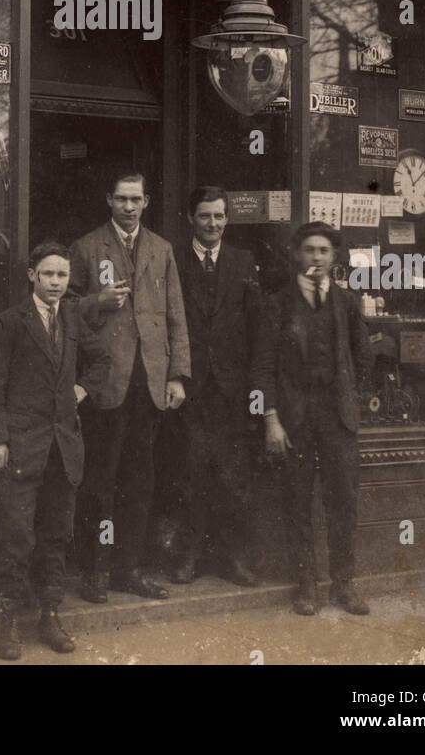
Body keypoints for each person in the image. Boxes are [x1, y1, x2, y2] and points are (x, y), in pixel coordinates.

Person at [0, 240, 110, 660]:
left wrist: (80, 389)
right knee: (18, 536)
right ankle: (9, 620)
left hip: (62, 447)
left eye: (62, 275)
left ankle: (51, 615)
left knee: (56, 536)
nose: (55, 282)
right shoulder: (9, 323)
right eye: (48, 274)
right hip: (21, 446)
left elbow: (102, 359)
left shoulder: (72, 317)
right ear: (32, 276)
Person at [70, 171, 191, 602]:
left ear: (146, 201)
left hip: (150, 383)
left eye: (135, 199)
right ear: (109, 200)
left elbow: (176, 315)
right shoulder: (86, 247)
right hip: (106, 383)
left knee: (141, 481)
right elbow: (64, 310)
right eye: (121, 199)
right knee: (101, 481)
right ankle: (95, 570)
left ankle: (130, 569)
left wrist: (177, 374)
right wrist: (95, 303)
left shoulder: (161, 249)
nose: (128, 206)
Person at [253, 222, 373, 616]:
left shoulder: (348, 303)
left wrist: (351, 402)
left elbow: (362, 359)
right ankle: (306, 586)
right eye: (309, 250)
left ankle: (344, 584)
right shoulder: (275, 304)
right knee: (298, 501)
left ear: (334, 257)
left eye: (323, 251)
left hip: (338, 418)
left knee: (344, 502)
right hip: (294, 418)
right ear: (295, 255)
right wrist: (271, 418)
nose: (316, 258)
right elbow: (262, 367)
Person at [173, 186, 262, 586]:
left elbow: (255, 327)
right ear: (190, 217)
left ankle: (233, 559)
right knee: (190, 474)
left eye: (219, 216)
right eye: (205, 216)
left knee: (233, 478)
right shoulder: (171, 261)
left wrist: (253, 387)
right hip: (188, 388)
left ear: (228, 219)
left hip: (231, 389)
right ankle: (188, 556)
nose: (212, 224)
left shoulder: (244, 262)